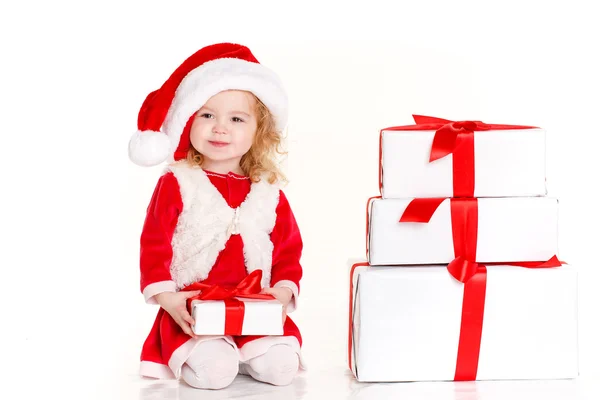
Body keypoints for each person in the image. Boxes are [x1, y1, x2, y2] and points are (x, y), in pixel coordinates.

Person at [128, 43, 304, 390]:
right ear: (188, 121)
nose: (220, 128)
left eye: (237, 119)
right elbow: (154, 242)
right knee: (215, 374)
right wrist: (167, 297)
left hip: (255, 306)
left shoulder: (267, 190)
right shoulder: (178, 182)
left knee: (283, 369)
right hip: (194, 305)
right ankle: (209, 353)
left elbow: (288, 247)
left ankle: (248, 350)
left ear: (259, 132)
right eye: (207, 115)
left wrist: (283, 291)